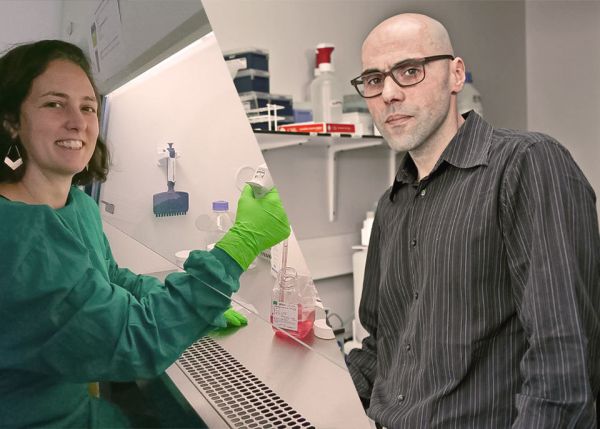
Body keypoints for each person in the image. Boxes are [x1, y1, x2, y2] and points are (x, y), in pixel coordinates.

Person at [0, 40, 290, 428]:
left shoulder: (77, 205)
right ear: (11, 120)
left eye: (87, 107)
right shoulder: (14, 235)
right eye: (54, 103)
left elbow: (111, 281)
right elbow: (133, 342)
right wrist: (242, 242)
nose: (78, 121)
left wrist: (197, 303)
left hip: (79, 408)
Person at [345, 13, 599, 428]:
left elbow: (563, 364)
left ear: (455, 75)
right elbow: (382, 347)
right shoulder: (392, 204)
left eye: (410, 71)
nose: (388, 93)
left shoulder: (526, 164)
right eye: (374, 80)